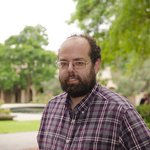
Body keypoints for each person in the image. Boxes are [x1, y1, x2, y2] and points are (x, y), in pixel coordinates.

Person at [37, 34, 150, 150]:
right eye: (64, 63)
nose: (70, 69)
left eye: (79, 62)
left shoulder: (121, 112)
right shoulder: (51, 108)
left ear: (96, 66)